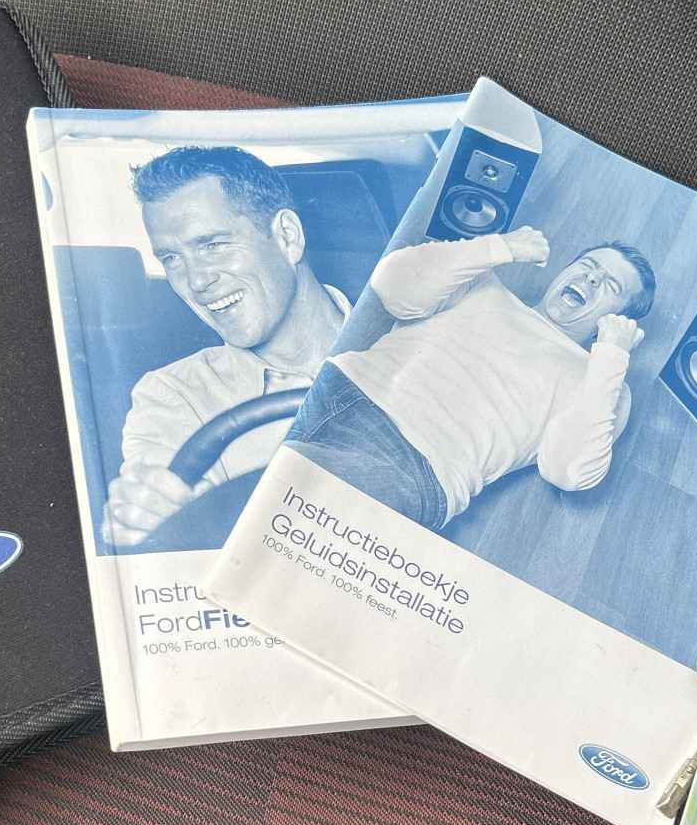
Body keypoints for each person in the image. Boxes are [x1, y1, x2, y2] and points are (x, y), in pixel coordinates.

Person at [291, 229, 656, 529]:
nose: (591, 278)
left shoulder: (596, 378)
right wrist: (499, 247)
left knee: (277, 493)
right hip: (334, 388)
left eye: (611, 285)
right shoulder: (483, 284)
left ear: (619, 319)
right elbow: (391, 285)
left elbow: (568, 470)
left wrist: (612, 354)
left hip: (412, 461)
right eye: (588, 265)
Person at [102, 146, 349, 548]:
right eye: (171, 258)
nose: (196, 281)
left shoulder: (419, 340)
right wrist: (151, 513)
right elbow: (166, 496)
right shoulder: (173, 395)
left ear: (287, 237)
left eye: (212, 245)